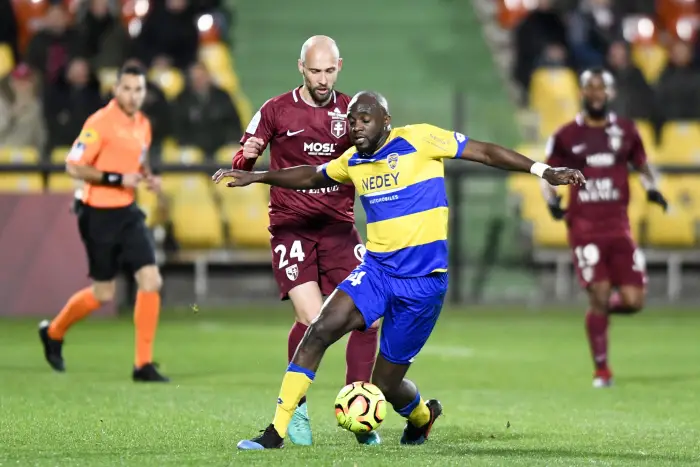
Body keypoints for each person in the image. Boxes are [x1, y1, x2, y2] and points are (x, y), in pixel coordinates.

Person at [213, 91, 585, 449]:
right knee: (319, 330)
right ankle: (276, 432)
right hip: (376, 273)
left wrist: (543, 170)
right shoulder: (352, 161)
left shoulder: (420, 139)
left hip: (424, 285)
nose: (355, 127)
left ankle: (423, 417)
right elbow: (312, 175)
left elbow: (485, 152)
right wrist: (260, 177)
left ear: (386, 122)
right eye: (351, 121)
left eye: (365, 120)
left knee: (387, 385)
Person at [231, 36, 379, 446]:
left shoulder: (351, 113)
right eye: (315, 71)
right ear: (301, 67)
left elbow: (377, 149)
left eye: (330, 70)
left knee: (371, 316)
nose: (323, 78)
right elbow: (243, 156)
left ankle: (358, 407)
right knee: (314, 319)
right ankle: (295, 410)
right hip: (291, 227)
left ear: (340, 66)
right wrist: (249, 153)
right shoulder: (275, 109)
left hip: (338, 229)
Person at [38, 64, 169, 383]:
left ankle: (143, 365)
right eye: (127, 89)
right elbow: (73, 166)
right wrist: (115, 177)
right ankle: (54, 332)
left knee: (151, 280)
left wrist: (148, 178)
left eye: (138, 90)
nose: (133, 95)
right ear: (116, 89)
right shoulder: (99, 123)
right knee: (103, 292)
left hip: (127, 211)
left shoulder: (143, 124)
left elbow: (139, 160)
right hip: (97, 214)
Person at [540, 67, 668, 388]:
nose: (596, 94)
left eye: (602, 88)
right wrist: (552, 201)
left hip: (619, 228)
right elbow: (547, 173)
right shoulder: (567, 134)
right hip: (585, 228)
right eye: (590, 88)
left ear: (610, 93)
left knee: (634, 301)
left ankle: (598, 314)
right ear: (582, 93)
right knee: (598, 290)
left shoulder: (627, 131)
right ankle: (602, 371)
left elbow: (642, 165)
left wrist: (653, 189)